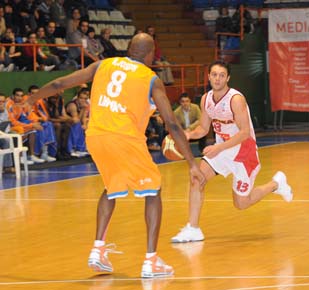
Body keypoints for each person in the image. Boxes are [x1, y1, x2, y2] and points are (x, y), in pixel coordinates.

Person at [26, 32, 205, 277]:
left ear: (129, 48)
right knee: (153, 191)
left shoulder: (102, 65)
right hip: (125, 138)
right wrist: (192, 163)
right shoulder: (151, 79)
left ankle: (97, 250)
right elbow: (172, 124)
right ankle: (151, 261)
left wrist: (32, 99)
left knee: (111, 187)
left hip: (96, 137)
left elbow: (59, 84)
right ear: (150, 54)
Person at [171, 60, 293, 243]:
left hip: (244, 152)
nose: (217, 78)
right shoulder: (206, 99)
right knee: (197, 179)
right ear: (209, 76)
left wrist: (217, 147)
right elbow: (203, 128)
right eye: (214, 74)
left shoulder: (236, 100)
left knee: (241, 203)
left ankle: (275, 184)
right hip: (222, 150)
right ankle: (193, 228)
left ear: (227, 78)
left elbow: (244, 133)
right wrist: (188, 135)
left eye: (221, 75)